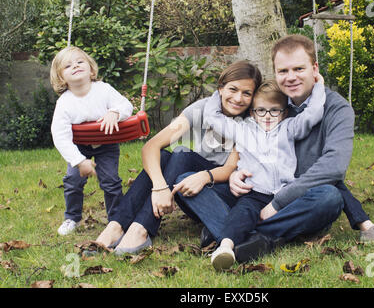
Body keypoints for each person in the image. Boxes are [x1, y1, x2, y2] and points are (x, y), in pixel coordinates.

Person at [175, 35, 374, 263]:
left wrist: (278, 203)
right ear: (275, 73)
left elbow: (333, 168)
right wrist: (234, 173)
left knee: (329, 197)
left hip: (295, 196)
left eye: (299, 69)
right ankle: (259, 238)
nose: (291, 77)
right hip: (252, 191)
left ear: (314, 69)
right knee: (188, 182)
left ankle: (234, 234)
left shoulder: (333, 110)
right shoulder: (266, 100)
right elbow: (232, 134)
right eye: (283, 71)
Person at [89, 61, 263, 255]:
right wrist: (160, 186)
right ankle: (116, 226)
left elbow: (231, 168)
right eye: (233, 89)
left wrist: (205, 176)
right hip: (190, 188)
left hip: (225, 194)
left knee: (181, 154)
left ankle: (140, 229)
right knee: (163, 156)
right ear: (221, 88)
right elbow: (151, 146)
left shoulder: (252, 120)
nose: (238, 98)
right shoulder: (202, 109)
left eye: (247, 93)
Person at [203, 79, 328, 270]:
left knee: (314, 202)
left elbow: (313, 113)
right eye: (261, 110)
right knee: (242, 213)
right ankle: (226, 247)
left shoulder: (289, 128)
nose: (268, 116)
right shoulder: (243, 130)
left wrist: (318, 86)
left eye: (274, 110)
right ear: (253, 112)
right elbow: (213, 117)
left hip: (285, 193)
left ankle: (253, 235)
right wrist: (218, 92)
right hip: (254, 191)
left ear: (284, 112)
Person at [50, 46, 133, 236]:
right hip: (80, 148)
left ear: (91, 69)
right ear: (61, 77)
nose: (76, 66)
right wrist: (78, 160)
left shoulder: (103, 90)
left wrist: (115, 112)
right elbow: (60, 135)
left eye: (80, 62)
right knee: (72, 181)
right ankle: (72, 217)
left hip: (106, 145)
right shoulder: (65, 102)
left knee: (111, 181)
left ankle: (116, 219)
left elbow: (126, 105)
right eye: (68, 65)